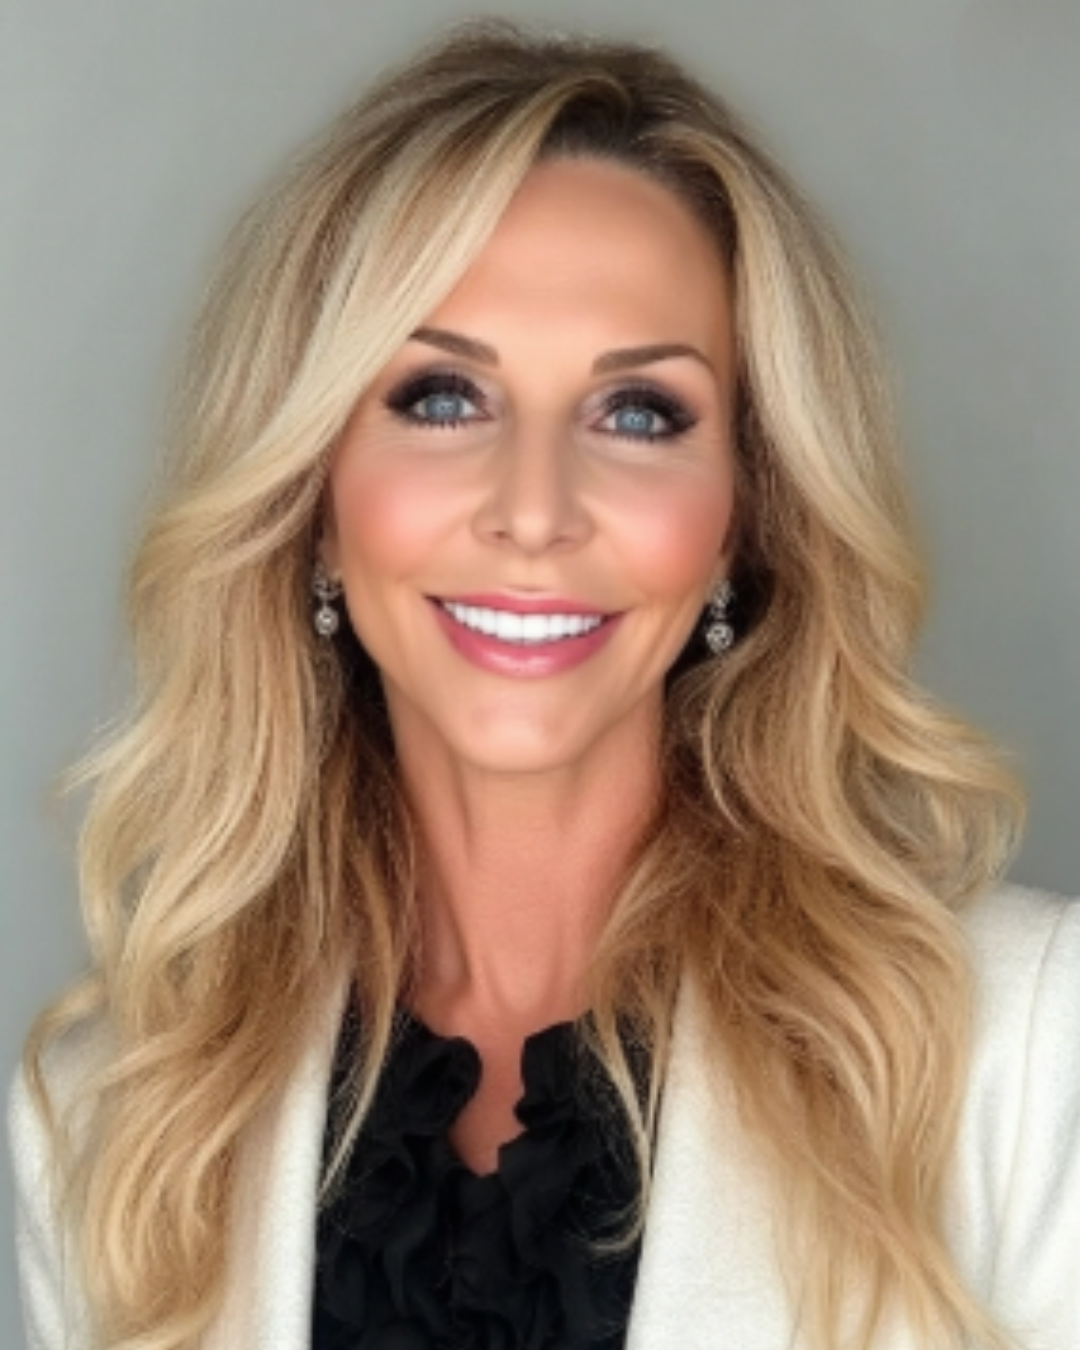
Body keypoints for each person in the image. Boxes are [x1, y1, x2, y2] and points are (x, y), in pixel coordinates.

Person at [10, 20, 1080, 1350]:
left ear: (743, 516)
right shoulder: (115, 1118)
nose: (534, 510)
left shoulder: (1027, 1048)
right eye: (442, 397)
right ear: (313, 501)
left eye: (638, 414)